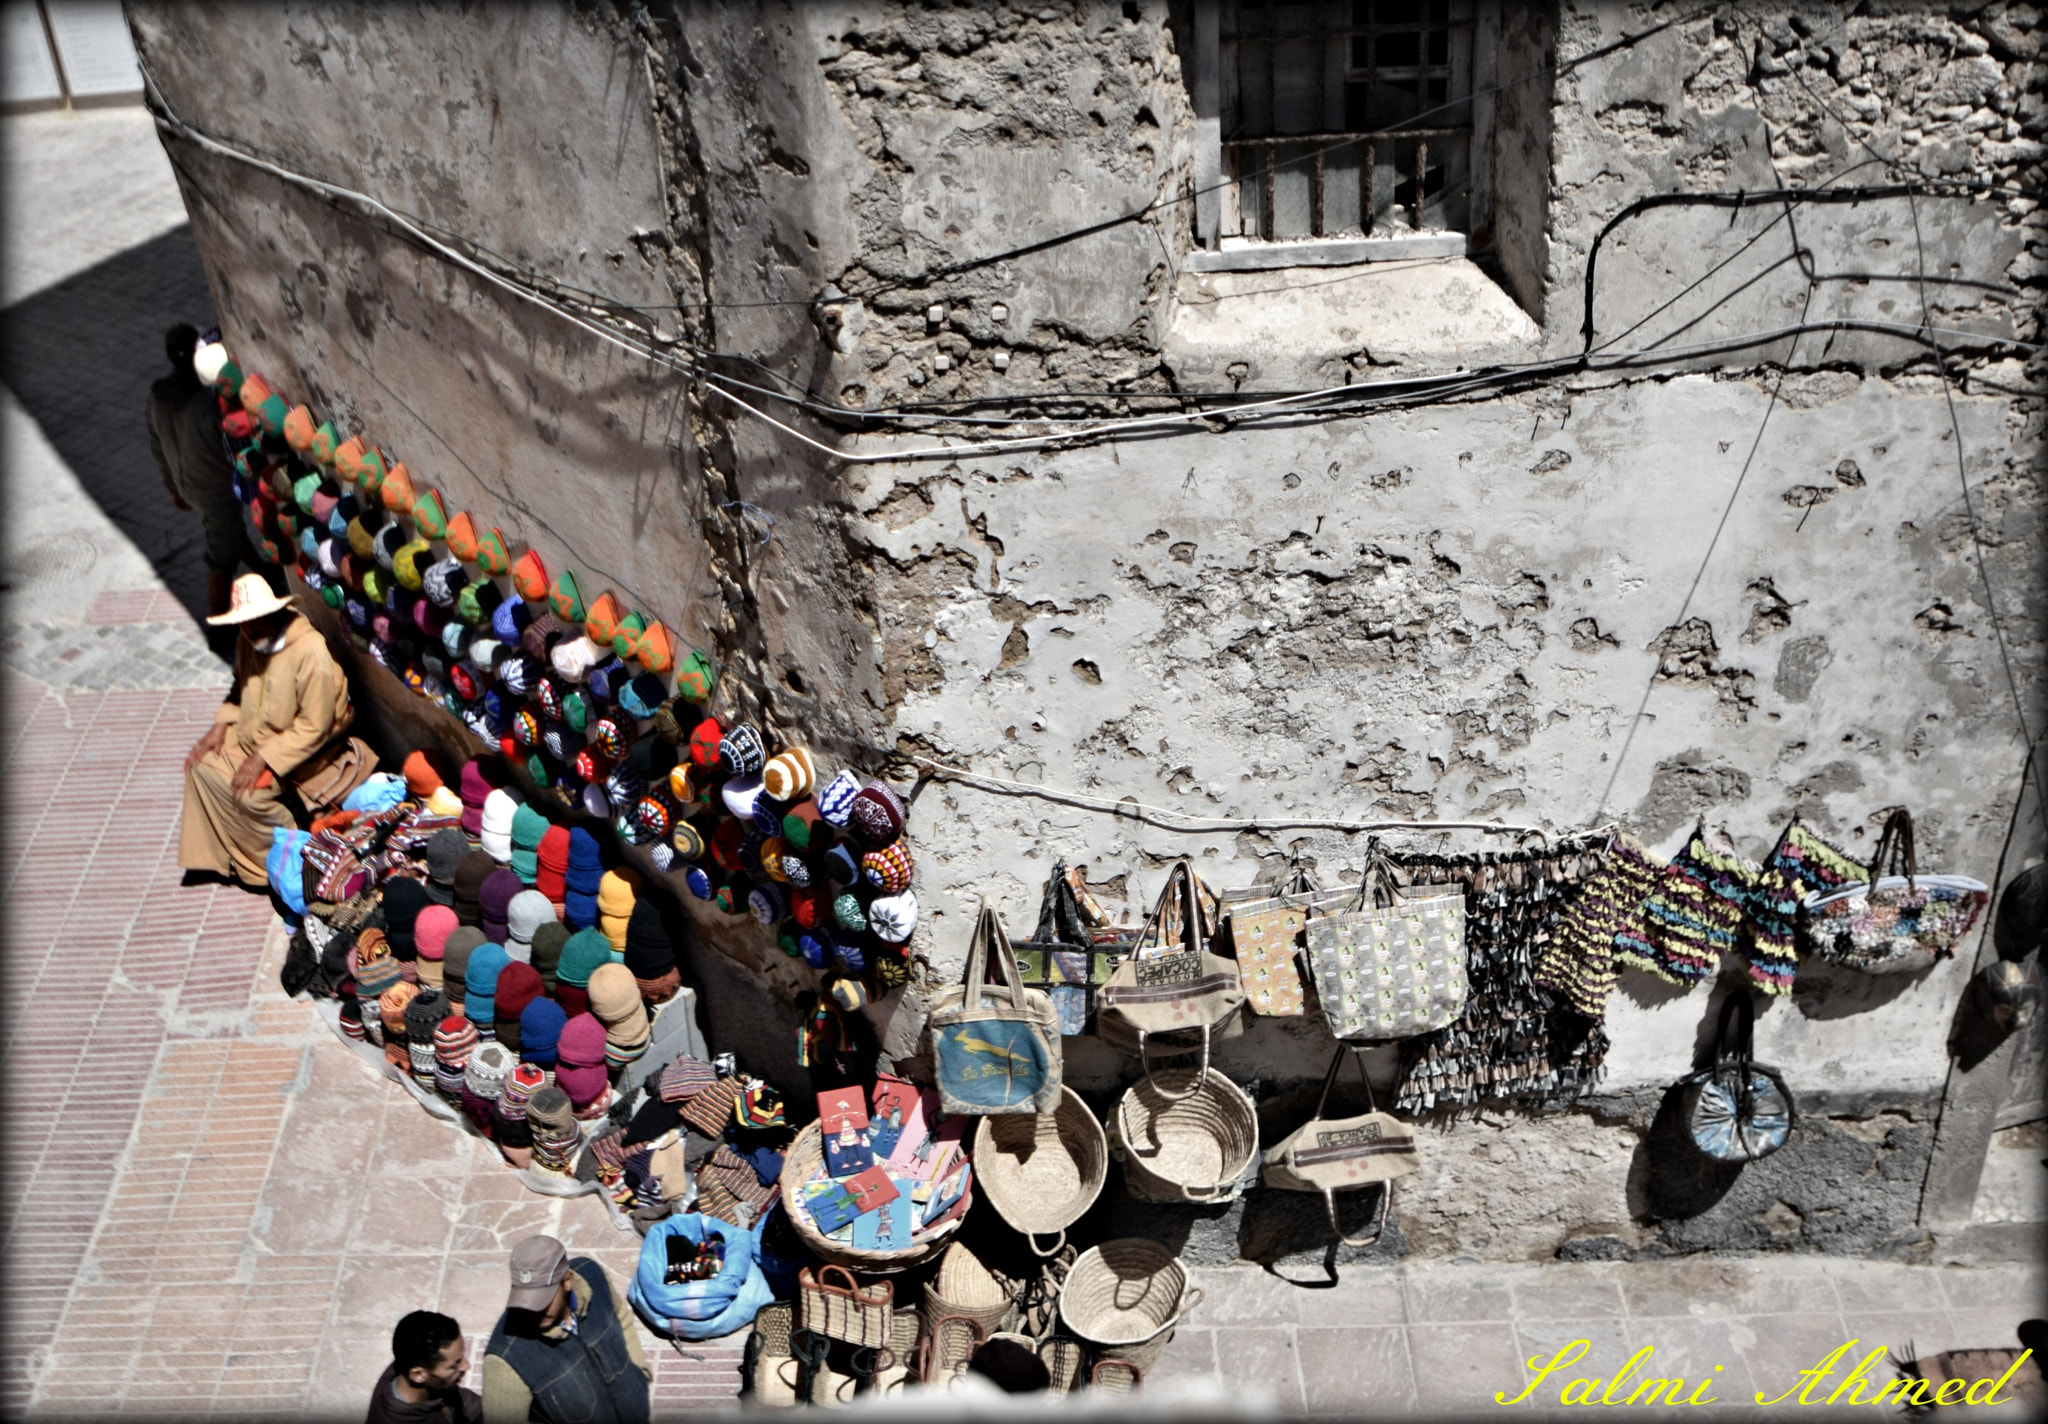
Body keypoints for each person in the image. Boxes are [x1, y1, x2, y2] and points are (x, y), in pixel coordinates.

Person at [178, 573, 354, 887]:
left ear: (275, 613)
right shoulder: (249, 639)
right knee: (200, 767)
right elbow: (240, 686)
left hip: (299, 749)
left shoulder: (310, 652)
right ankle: (227, 853)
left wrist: (265, 759)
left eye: (255, 621)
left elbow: (316, 725)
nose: (248, 629)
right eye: (242, 623)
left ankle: (274, 864)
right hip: (253, 733)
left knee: (249, 795)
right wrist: (220, 724)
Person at [147, 321, 254, 624]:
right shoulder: (207, 400)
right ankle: (217, 621)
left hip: (187, 485)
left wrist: (172, 487)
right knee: (221, 558)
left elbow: (156, 444)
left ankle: (265, 570)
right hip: (215, 486)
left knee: (226, 530)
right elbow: (232, 444)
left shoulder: (157, 395)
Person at [482, 1236, 650, 1424]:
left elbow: (621, 1318)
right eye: (526, 1299)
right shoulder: (505, 1357)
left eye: (543, 1298)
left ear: (568, 1281)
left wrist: (639, 1375)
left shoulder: (592, 1275)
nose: (534, 1309)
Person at [368, 1311, 481, 1424]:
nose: (466, 1366)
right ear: (418, 1375)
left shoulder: (416, 1359)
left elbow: (463, 1402)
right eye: (454, 1365)